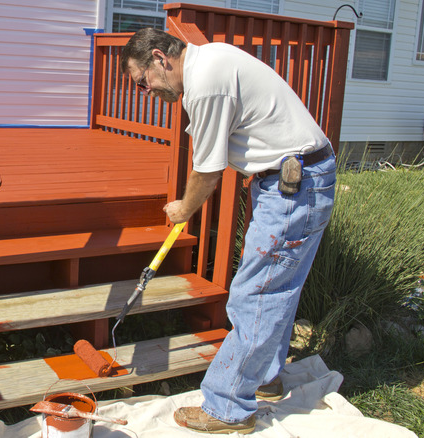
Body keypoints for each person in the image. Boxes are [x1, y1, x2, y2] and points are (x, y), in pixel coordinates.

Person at [121, 28, 336, 434]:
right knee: (276, 288)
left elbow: (207, 170)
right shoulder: (210, 62)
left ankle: (227, 407)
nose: (145, 90)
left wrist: (183, 208)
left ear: (158, 58)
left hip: (295, 187)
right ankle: (264, 378)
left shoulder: (206, 85)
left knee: (255, 293)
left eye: (142, 80)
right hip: (295, 181)